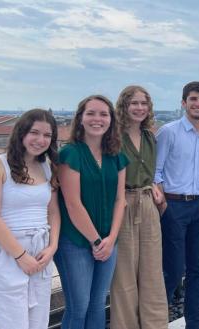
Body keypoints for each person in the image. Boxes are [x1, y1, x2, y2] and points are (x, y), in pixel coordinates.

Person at [55, 95, 128, 329]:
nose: (98, 119)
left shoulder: (116, 155)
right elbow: (72, 203)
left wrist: (111, 239)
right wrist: (97, 241)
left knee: (98, 304)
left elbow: (120, 200)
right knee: (79, 307)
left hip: (108, 240)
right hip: (75, 241)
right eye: (91, 113)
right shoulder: (71, 154)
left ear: (111, 120)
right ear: (81, 118)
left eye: (104, 114)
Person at [155, 81, 199, 329]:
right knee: (171, 271)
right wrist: (164, 208)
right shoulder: (168, 132)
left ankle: (194, 324)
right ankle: (157, 322)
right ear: (183, 102)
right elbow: (156, 172)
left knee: (196, 271)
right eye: (193, 99)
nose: (198, 104)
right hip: (173, 208)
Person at [0, 109, 60, 329]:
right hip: (8, 253)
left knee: (39, 322)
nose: (40, 140)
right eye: (34, 132)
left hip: (41, 253)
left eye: (47, 135)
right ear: (21, 133)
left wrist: (52, 248)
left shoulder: (47, 167)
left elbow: (54, 212)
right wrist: (20, 256)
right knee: (13, 323)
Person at [110, 86, 168, 329]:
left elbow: (152, 172)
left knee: (153, 273)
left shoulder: (149, 137)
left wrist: (156, 187)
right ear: (124, 105)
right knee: (123, 276)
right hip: (122, 204)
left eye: (143, 103)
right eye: (134, 103)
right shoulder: (112, 137)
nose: (139, 108)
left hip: (147, 203)